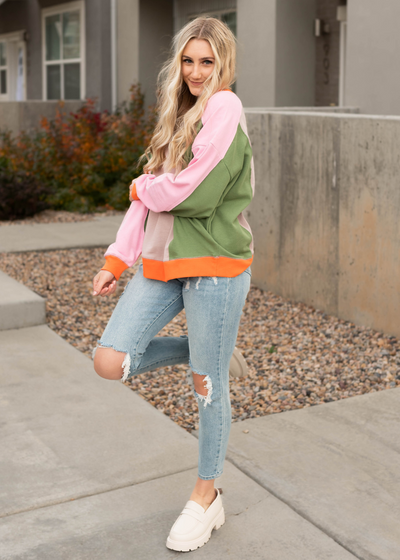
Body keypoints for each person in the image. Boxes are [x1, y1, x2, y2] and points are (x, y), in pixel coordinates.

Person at [92, 16, 254, 552]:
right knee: (109, 360)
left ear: (223, 63)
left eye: (206, 61)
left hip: (215, 264)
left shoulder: (226, 107)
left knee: (207, 390)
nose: (196, 71)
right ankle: (209, 351)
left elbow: (194, 196)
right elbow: (147, 204)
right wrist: (117, 260)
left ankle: (206, 496)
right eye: (188, 60)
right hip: (161, 265)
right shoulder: (178, 116)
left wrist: (146, 184)